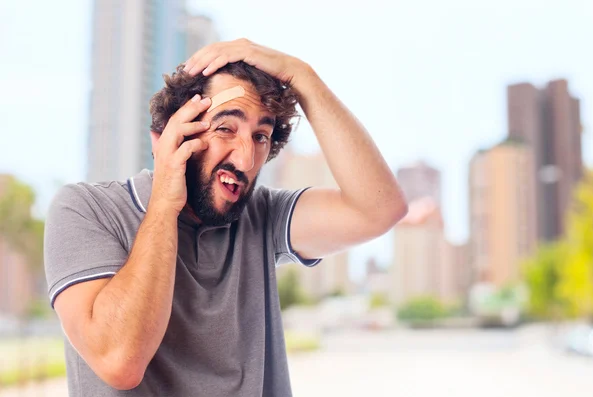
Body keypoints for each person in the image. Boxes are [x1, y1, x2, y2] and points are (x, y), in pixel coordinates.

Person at [44, 39, 408, 396]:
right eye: (225, 128)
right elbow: (120, 361)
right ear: (166, 137)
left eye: (261, 136)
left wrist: (303, 76)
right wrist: (164, 207)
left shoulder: (262, 216)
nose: (246, 158)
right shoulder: (85, 210)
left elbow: (379, 209)